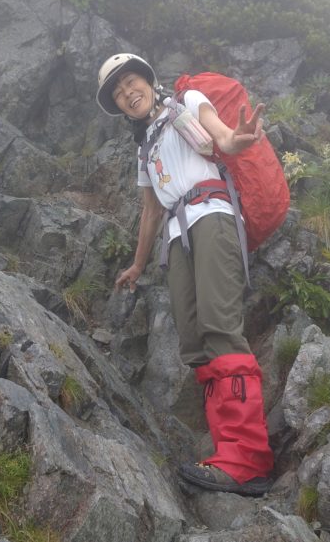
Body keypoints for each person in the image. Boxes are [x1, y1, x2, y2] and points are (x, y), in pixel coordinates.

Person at [96, 53, 274, 496]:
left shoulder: (186, 101)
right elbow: (150, 211)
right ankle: (227, 450)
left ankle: (248, 460)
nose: (127, 93)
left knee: (219, 325)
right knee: (194, 341)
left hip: (212, 214)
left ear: (148, 79)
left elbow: (222, 138)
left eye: (131, 82)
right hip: (177, 235)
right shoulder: (145, 147)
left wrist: (238, 139)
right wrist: (138, 264)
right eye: (117, 92)